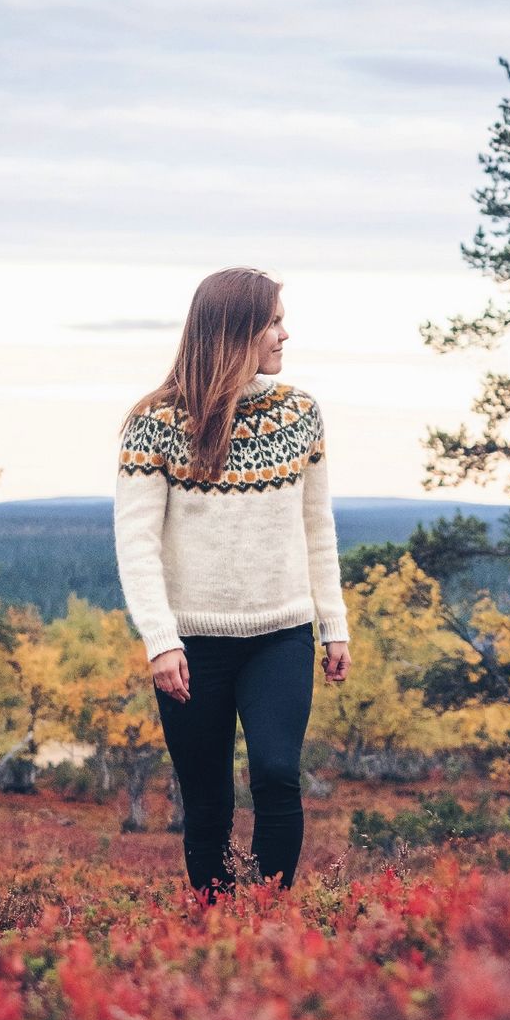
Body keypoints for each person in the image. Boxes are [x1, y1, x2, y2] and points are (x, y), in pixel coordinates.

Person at [113, 266, 352, 905]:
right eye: (273, 321)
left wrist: (333, 625)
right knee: (207, 796)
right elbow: (136, 544)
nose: (284, 334)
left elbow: (316, 528)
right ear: (236, 329)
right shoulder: (154, 422)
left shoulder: (301, 414)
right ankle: (218, 927)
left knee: (277, 774)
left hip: (282, 633)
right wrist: (161, 642)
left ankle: (267, 919)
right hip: (193, 646)